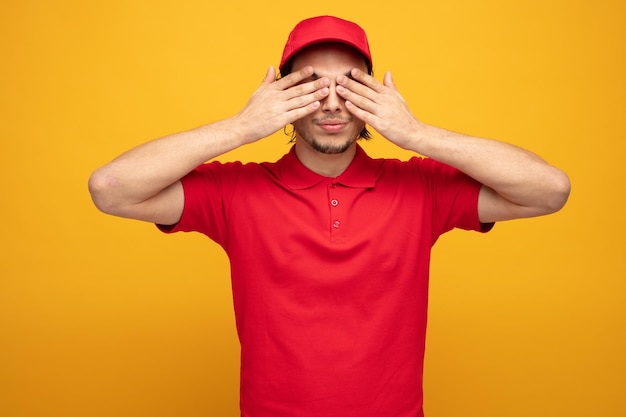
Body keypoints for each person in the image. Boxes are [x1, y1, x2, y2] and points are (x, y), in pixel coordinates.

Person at [89, 15, 570, 417]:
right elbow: (111, 188)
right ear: (283, 95)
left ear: (374, 96)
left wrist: (417, 134)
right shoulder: (235, 190)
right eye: (313, 84)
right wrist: (240, 127)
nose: (333, 102)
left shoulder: (421, 186)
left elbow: (550, 190)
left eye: (351, 86)